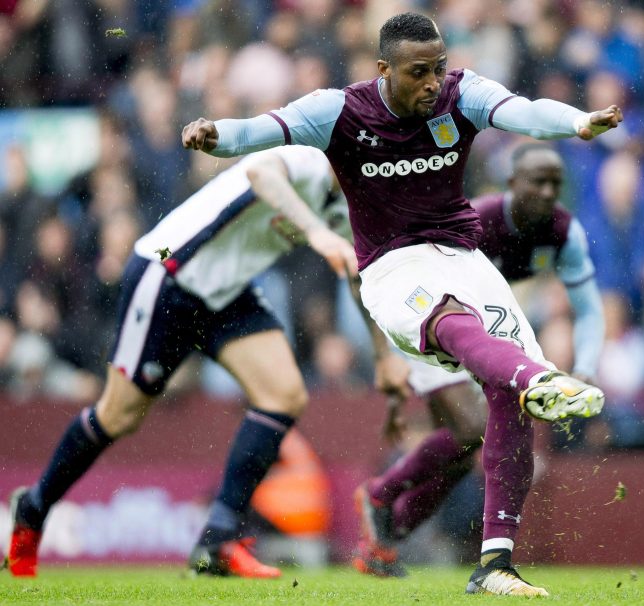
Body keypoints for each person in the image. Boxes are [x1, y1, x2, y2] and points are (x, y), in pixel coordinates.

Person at [181, 13, 621, 596]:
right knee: (462, 337)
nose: (432, 82)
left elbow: (522, 110)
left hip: (463, 258)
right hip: (392, 268)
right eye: (418, 73)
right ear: (383, 69)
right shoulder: (338, 110)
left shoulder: (461, 94)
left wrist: (578, 123)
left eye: (438, 68)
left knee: (507, 402)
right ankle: (532, 377)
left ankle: (496, 564)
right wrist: (215, 134)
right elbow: (257, 132)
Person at [6, 145, 357, 579]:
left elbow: (358, 270)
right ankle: (34, 507)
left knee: (283, 394)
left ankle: (218, 540)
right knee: (118, 417)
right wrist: (313, 230)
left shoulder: (345, 204)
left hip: (226, 293)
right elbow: (262, 174)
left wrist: (386, 360)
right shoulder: (309, 159)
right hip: (171, 272)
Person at [351, 143, 604, 577]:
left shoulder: (564, 233)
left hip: (487, 335)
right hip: (433, 316)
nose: (547, 193)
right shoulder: (479, 221)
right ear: (511, 184)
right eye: (537, 182)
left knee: (464, 444)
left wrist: (587, 367)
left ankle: (384, 534)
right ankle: (379, 495)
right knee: (469, 430)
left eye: (555, 184)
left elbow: (591, 310)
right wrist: (383, 356)